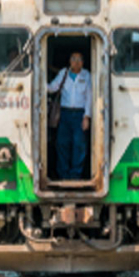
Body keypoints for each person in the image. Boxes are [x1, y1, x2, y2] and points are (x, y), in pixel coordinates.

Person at [48, 51, 92, 180]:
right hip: (65, 114)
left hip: (80, 114)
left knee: (79, 145)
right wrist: (38, 83)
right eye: (73, 59)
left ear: (83, 62)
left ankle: (75, 176)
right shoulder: (64, 73)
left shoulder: (86, 75)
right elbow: (53, 87)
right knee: (62, 144)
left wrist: (87, 116)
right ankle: (63, 175)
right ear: (70, 61)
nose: (76, 62)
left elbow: (90, 97)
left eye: (79, 59)